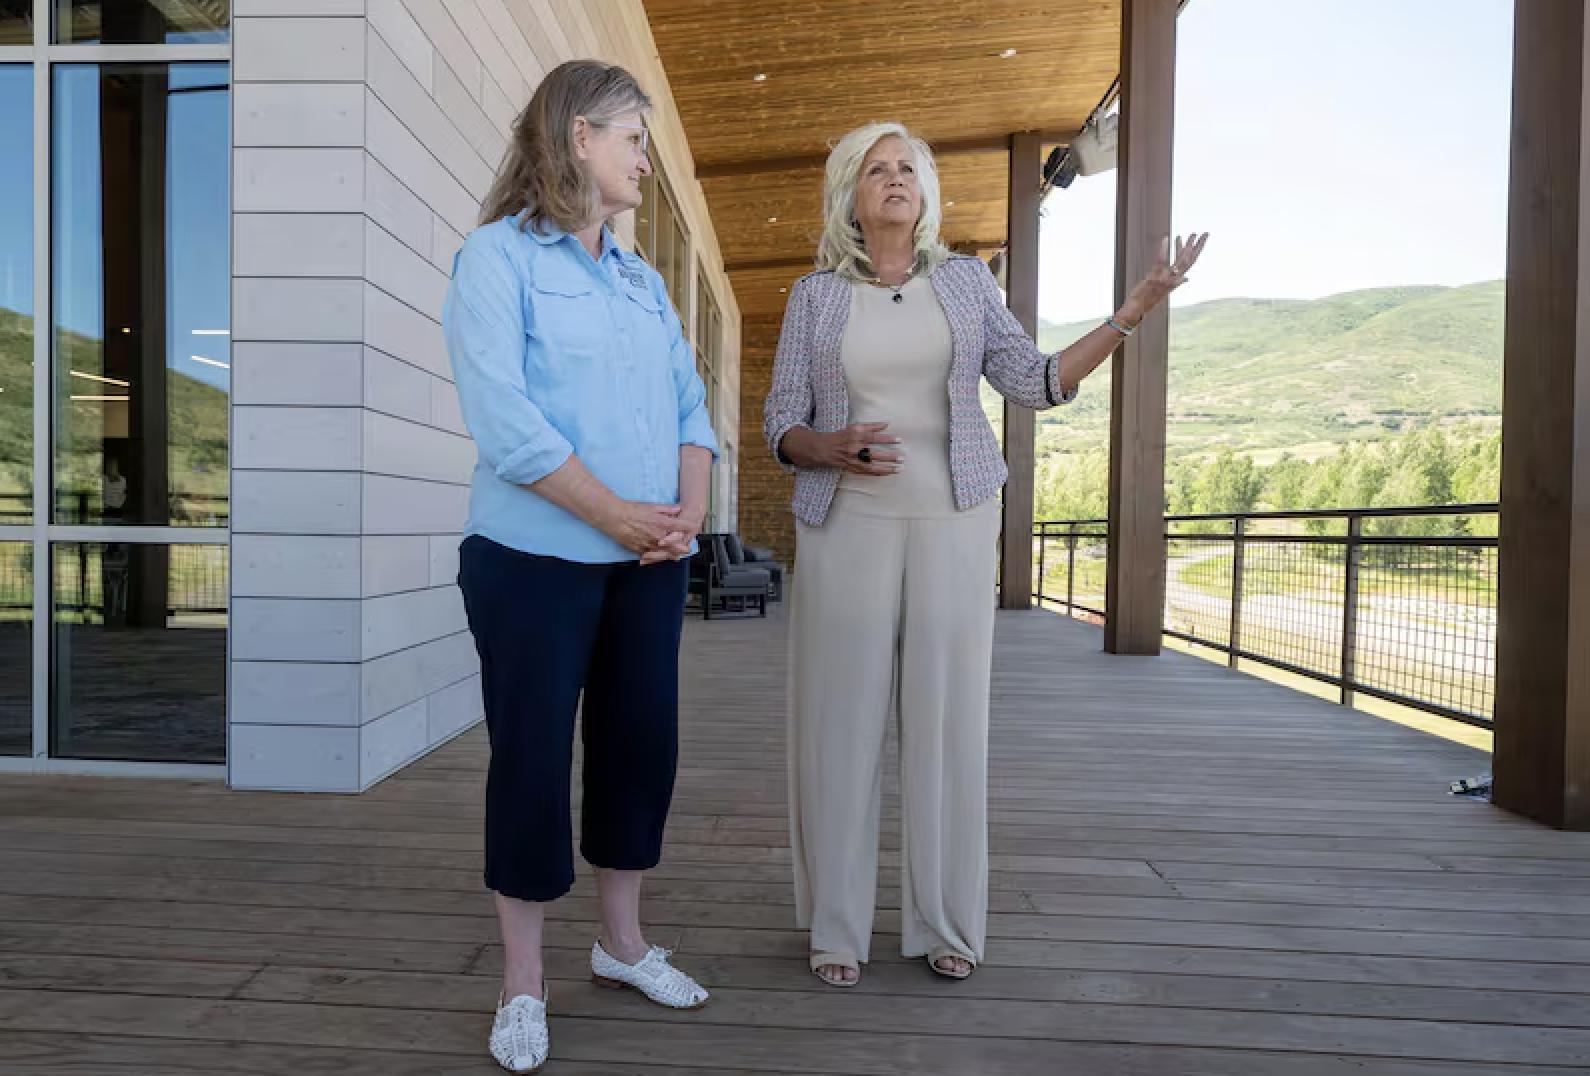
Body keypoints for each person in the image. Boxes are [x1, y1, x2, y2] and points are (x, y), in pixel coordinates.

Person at [764, 121, 1206, 987]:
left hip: (955, 519)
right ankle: (837, 927)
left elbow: (1034, 380)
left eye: (908, 169)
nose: (895, 180)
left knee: (947, 720)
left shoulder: (965, 283)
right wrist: (826, 447)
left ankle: (945, 921)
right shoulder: (813, 296)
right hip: (844, 520)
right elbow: (780, 419)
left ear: (925, 193)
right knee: (839, 723)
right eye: (877, 170)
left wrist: (1134, 309)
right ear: (851, 193)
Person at [444, 60, 715, 1074]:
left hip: (646, 562)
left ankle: (622, 943)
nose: (645, 156)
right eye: (632, 137)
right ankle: (522, 980)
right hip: (532, 559)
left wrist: (685, 511)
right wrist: (621, 518)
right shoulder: (496, 259)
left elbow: (692, 407)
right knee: (531, 758)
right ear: (576, 140)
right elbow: (508, 423)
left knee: (640, 746)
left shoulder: (643, 282)